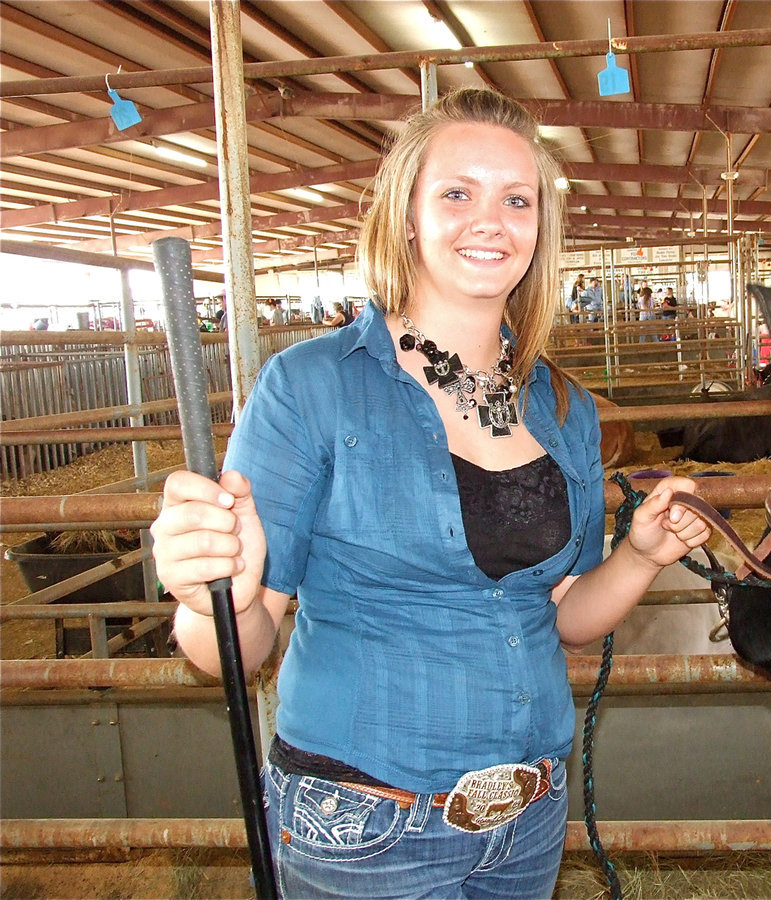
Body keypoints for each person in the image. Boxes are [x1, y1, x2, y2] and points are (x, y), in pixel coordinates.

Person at [150, 87, 710, 900]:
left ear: (539, 229)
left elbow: (565, 615)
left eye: (518, 199)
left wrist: (639, 555)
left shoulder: (564, 406)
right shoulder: (309, 388)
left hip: (527, 815)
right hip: (366, 824)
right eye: (457, 193)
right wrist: (214, 600)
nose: (492, 220)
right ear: (406, 215)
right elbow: (231, 650)